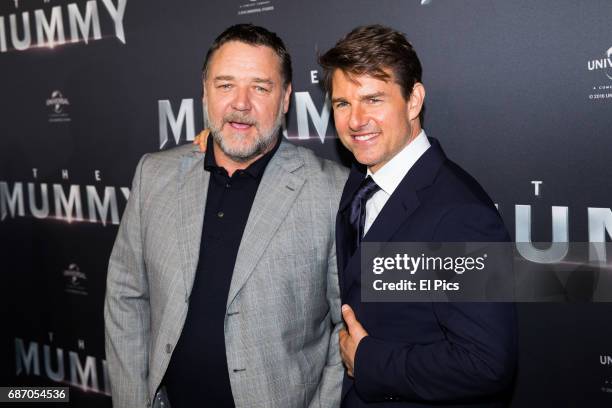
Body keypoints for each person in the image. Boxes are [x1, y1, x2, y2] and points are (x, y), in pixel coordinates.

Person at [104, 24, 347, 408]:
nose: (240, 103)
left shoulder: (332, 191)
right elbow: (126, 296)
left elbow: (345, 327)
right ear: (204, 90)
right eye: (225, 85)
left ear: (285, 99)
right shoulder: (154, 175)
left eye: (260, 87)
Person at [319, 25, 517, 407]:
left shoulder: (461, 215)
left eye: (373, 99)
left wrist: (368, 361)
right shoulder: (359, 182)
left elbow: (486, 363)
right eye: (343, 103)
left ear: (413, 100)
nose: (356, 120)